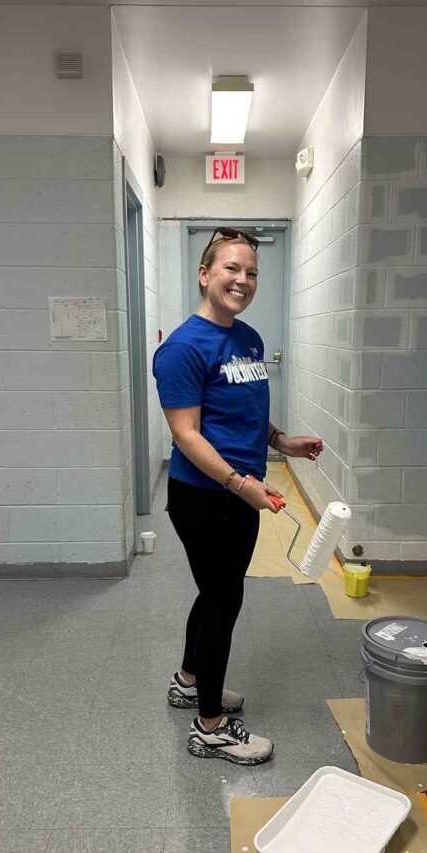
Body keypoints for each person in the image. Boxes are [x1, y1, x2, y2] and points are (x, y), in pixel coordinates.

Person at [153, 227, 323, 765]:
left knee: (213, 593)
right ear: (204, 274)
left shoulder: (247, 338)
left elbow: (242, 409)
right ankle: (210, 726)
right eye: (230, 268)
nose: (242, 280)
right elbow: (187, 434)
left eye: (251, 272)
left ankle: (189, 680)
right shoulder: (182, 348)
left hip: (238, 491)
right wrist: (240, 484)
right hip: (205, 495)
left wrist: (280, 442)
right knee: (224, 600)